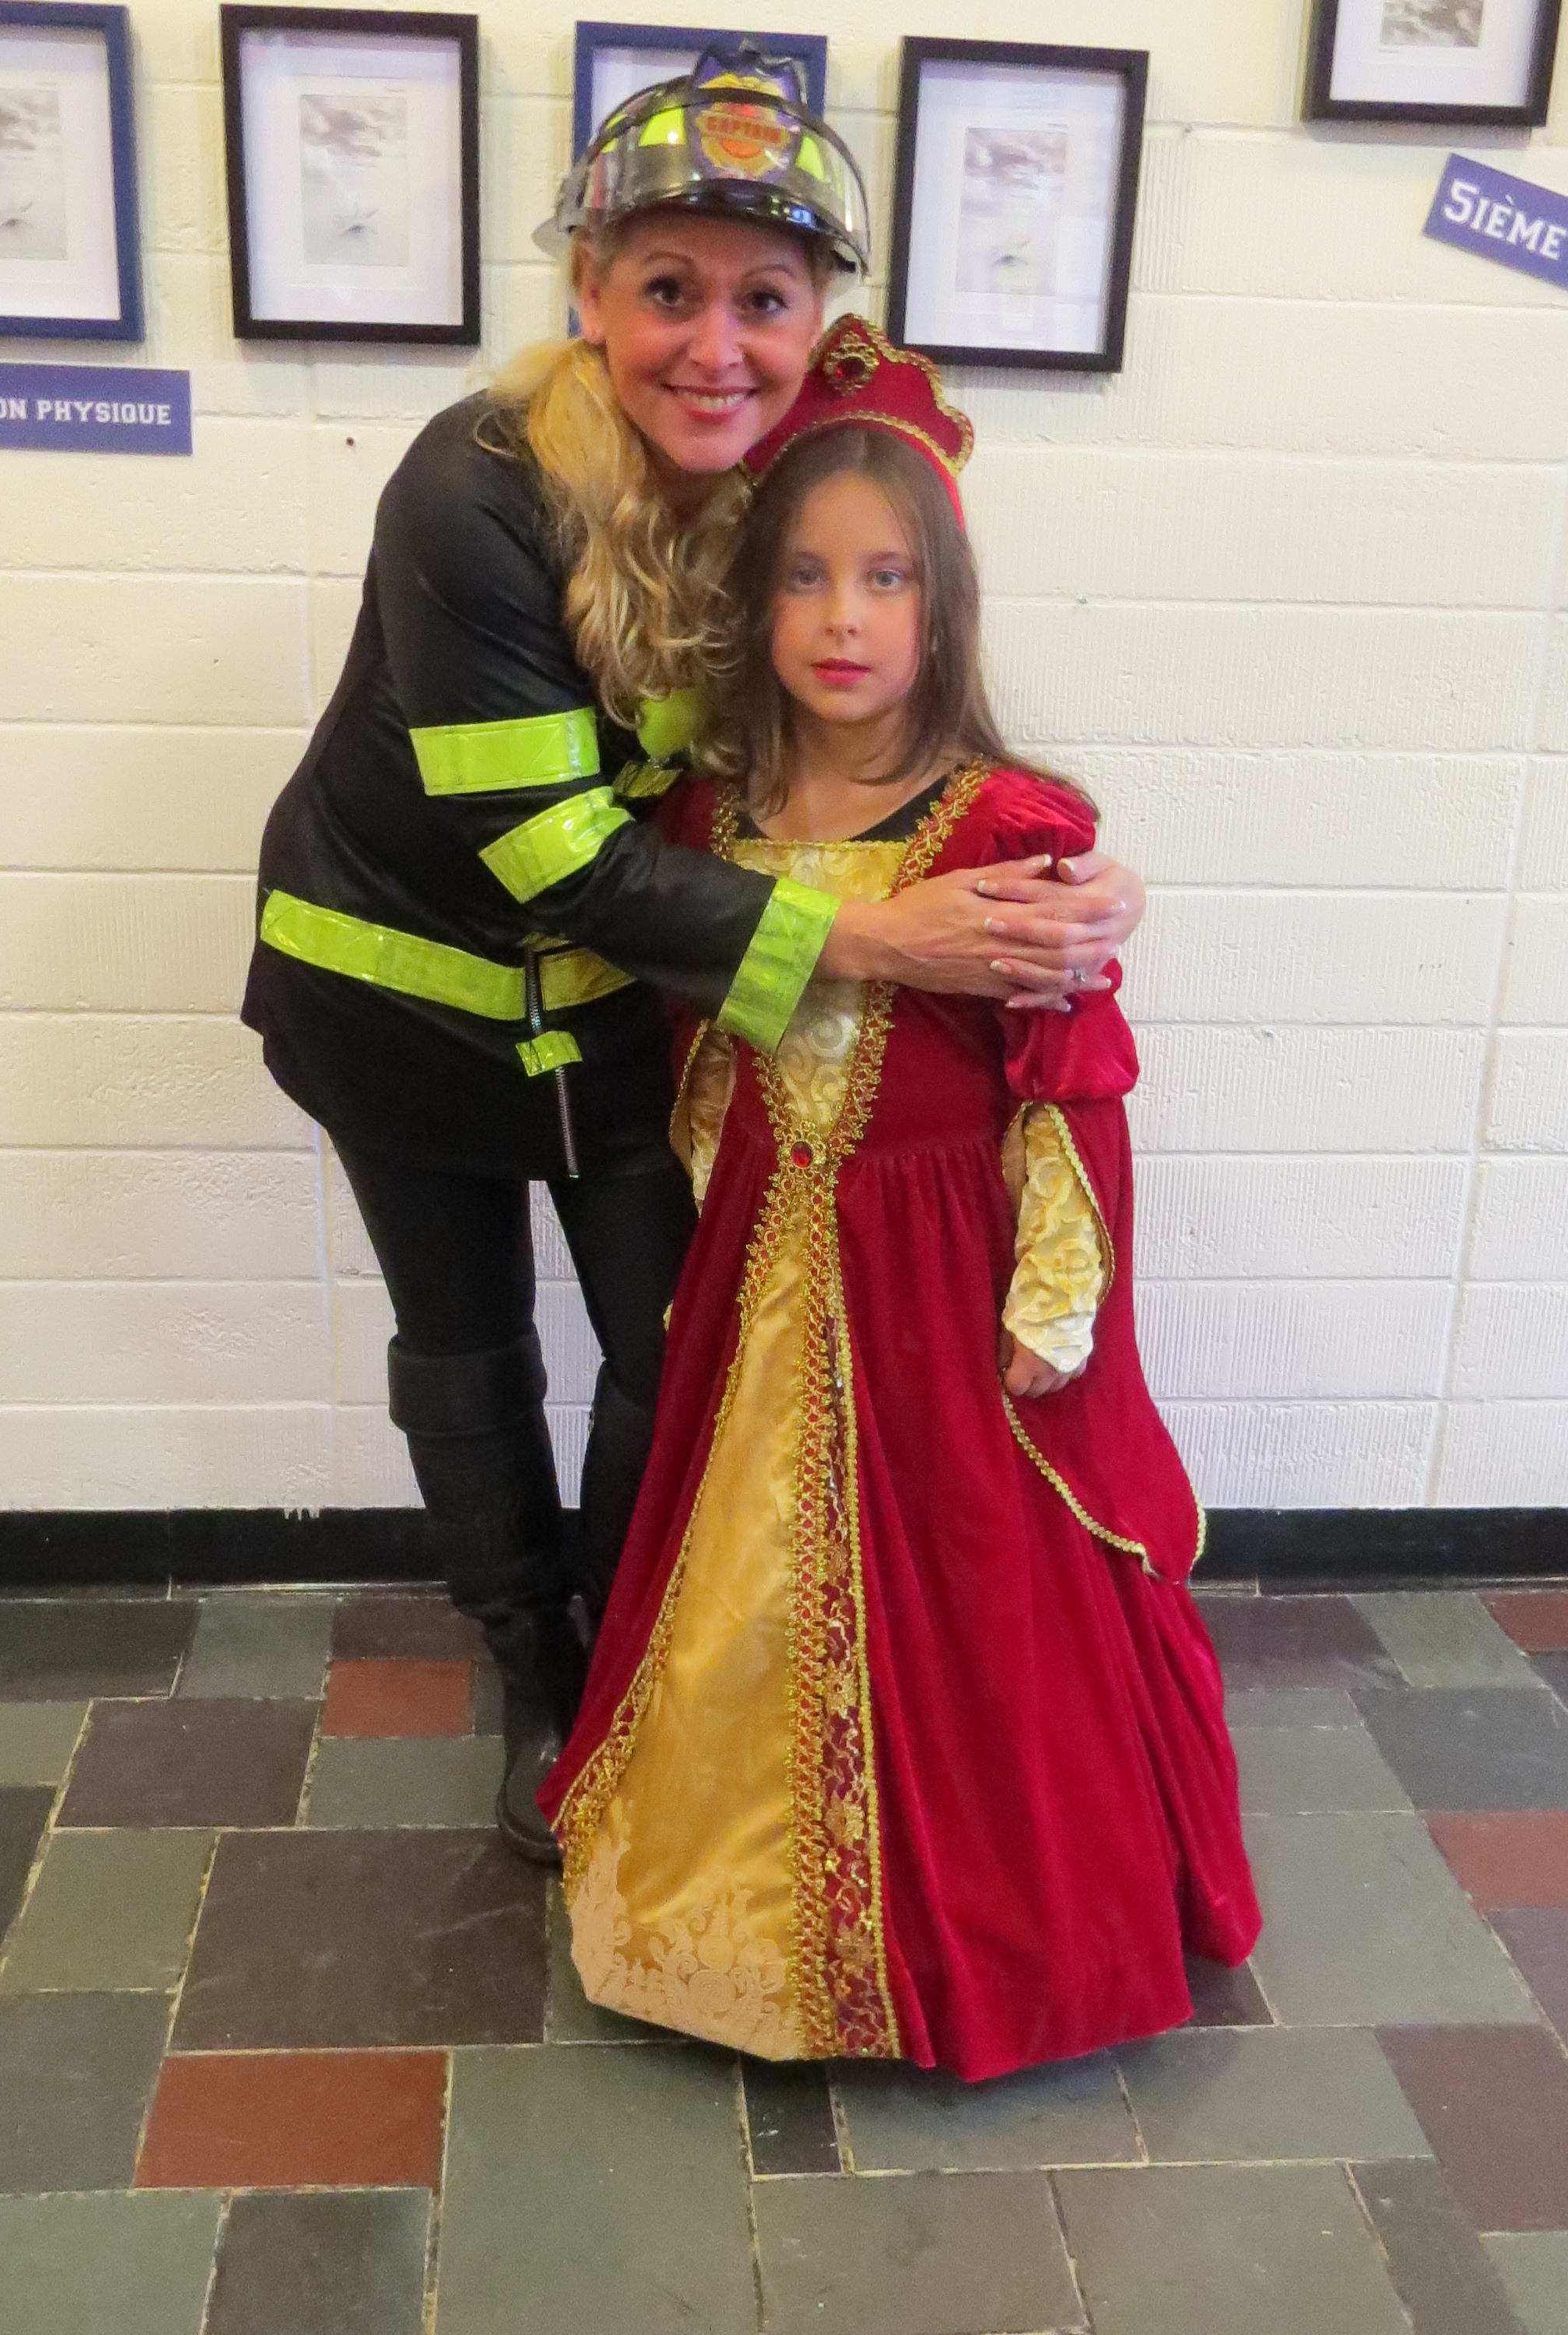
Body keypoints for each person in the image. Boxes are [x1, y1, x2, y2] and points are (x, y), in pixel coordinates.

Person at [239, 50, 1145, 1865]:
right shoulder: (471, 489)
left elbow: (873, 706)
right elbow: (553, 854)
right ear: (588, 292)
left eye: (763, 299)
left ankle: (634, 1648)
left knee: (678, 1341)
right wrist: (882, 936)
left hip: (621, 1008)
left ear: (819, 319)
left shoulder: (781, 478)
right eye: (668, 290)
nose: (715, 345)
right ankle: (536, 1674)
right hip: (394, 1008)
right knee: (468, 1348)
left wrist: (1038, 865)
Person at [541, 321, 1260, 2079]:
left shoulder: (1006, 826)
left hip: (940, 1280)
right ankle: (738, 1918)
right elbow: (695, 1038)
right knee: (738, 1589)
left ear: (943, 606)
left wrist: (1054, 1293)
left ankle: (982, 1940)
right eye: (802, 576)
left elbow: (1067, 1083)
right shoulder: (706, 816)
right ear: (754, 601)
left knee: (975, 1603)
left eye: (883, 578)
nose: (841, 618)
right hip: (765, 1264)